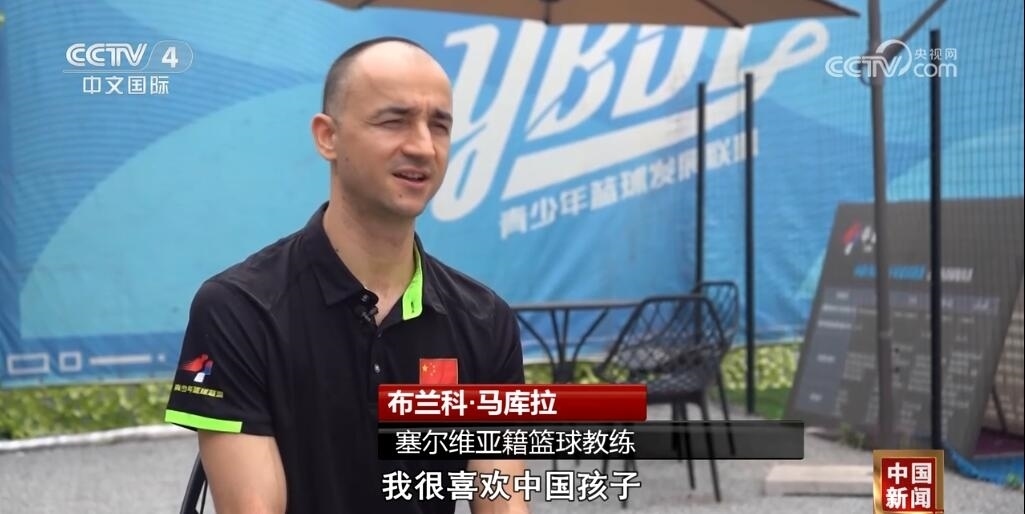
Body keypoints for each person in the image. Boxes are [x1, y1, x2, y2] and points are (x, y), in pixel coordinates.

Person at [164, 36, 529, 514]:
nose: (423, 146)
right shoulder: (238, 309)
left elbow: (501, 500)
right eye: (394, 121)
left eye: (439, 125)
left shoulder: (485, 320)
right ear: (327, 137)